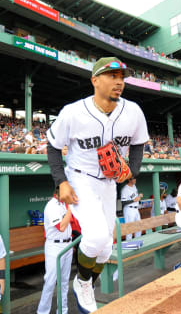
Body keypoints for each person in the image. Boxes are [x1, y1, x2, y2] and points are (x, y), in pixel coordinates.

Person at [46, 57, 149, 313]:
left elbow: (138, 144)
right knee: (96, 236)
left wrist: (131, 171)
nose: (119, 82)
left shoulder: (133, 111)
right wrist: (62, 182)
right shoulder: (73, 112)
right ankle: (83, 282)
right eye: (112, 76)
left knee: (105, 248)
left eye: (122, 77)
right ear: (95, 80)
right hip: (81, 178)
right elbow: (53, 146)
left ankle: (86, 284)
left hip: (109, 183)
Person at [37, 188, 73, 314]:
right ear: (58, 192)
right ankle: (42, 312)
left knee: (64, 282)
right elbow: (61, 227)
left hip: (68, 244)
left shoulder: (64, 204)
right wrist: (71, 209)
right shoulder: (51, 206)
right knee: (50, 281)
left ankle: (63, 311)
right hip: (55, 246)